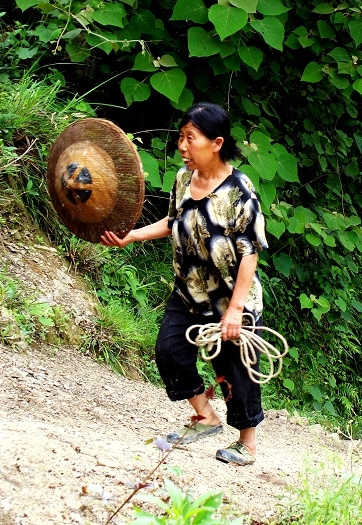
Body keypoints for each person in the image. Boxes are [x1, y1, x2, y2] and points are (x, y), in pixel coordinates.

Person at [101, 102, 268, 466]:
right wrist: (131, 236)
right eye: (181, 137)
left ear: (217, 142)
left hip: (230, 298)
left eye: (190, 138)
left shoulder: (240, 191)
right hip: (189, 290)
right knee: (169, 350)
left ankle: (247, 444)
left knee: (235, 367)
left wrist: (236, 310)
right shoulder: (183, 179)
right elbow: (173, 221)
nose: (182, 145)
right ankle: (206, 416)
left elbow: (250, 253)